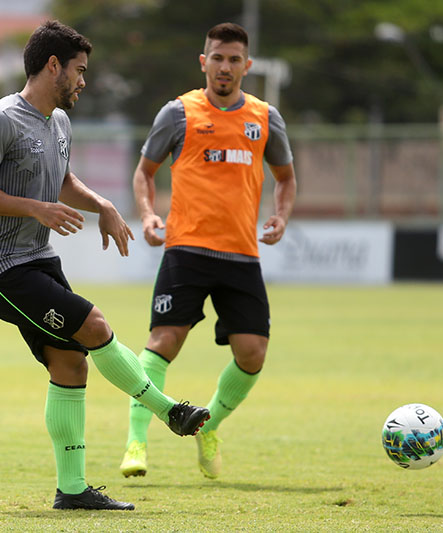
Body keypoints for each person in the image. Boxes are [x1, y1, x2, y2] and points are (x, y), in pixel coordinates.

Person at [0, 21, 210, 511]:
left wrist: (105, 207)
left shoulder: (58, 123)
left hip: (37, 258)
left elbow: (64, 180)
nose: (83, 80)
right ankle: (168, 410)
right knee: (94, 325)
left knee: (70, 363)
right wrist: (35, 207)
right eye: (79, 70)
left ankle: (71, 491)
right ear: (53, 65)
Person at [119, 22, 298, 480]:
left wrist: (280, 215)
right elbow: (144, 173)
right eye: (217, 57)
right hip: (187, 250)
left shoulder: (264, 117)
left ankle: (208, 427)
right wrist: (148, 215)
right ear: (204, 62)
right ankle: (136, 441)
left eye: (234, 59)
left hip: (241, 255)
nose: (225, 67)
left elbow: (286, 177)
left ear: (247, 65)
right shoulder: (178, 113)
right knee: (163, 343)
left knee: (253, 353)